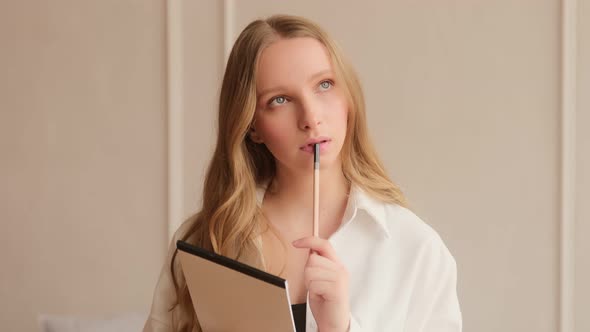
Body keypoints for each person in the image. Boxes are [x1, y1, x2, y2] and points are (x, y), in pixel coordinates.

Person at [144, 14, 462, 332]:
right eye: (279, 100)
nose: (310, 118)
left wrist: (341, 328)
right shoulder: (203, 240)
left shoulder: (415, 250)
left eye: (324, 85)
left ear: (349, 98)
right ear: (252, 126)